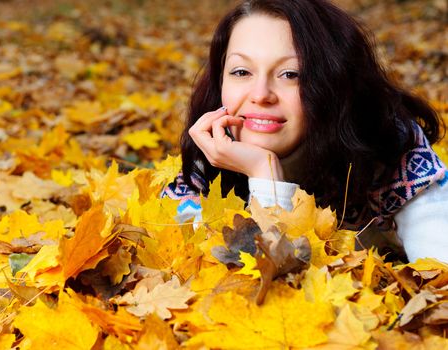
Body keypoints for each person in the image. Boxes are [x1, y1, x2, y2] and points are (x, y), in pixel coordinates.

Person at [162, 0, 448, 263]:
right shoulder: (205, 169)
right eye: (241, 72)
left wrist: (267, 183)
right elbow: (245, 299)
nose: (261, 95)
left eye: (291, 74)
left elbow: (441, 281)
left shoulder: (389, 148)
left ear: (334, 83)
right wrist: (264, 173)